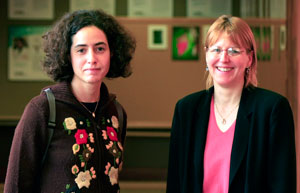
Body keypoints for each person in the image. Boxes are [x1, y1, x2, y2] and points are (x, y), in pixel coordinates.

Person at [4, 9, 136, 193]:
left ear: (111, 53)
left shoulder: (117, 113)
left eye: (100, 49)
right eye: (81, 50)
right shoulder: (42, 110)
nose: (92, 58)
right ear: (68, 56)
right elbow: (15, 187)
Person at [166, 15, 296, 193]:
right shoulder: (186, 110)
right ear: (206, 55)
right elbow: (175, 184)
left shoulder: (272, 109)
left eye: (234, 51)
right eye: (216, 50)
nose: (224, 58)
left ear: (249, 58)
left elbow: (282, 186)